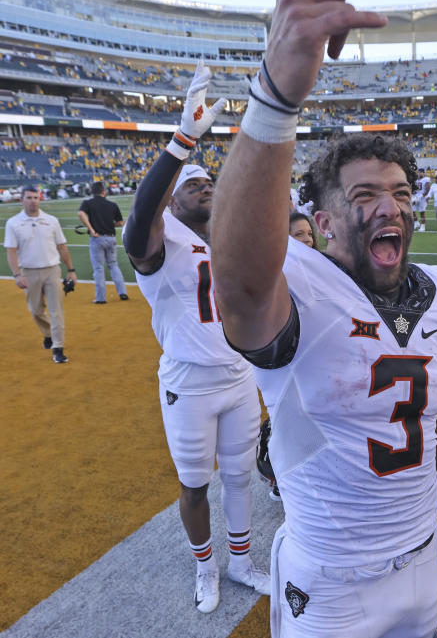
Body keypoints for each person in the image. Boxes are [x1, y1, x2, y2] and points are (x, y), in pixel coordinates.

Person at [209, 0, 437, 634]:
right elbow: (237, 287)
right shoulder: (297, 283)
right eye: (364, 195)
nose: (388, 207)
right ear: (324, 219)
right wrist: (275, 99)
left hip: (423, 564)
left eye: (399, 193)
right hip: (329, 586)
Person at [122, 63, 269, 614]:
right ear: (174, 201)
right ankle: (205, 567)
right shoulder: (161, 243)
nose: (205, 189)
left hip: (239, 376)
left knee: (239, 477)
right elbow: (139, 221)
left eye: (209, 182)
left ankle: (241, 561)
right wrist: (182, 142)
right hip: (189, 382)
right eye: (194, 185)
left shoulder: (221, 238)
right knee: (195, 485)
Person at [4, 184, 75, 363]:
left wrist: (71, 270)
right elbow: (11, 251)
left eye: (36, 197)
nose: (33, 201)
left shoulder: (51, 220)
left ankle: (58, 347)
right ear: (22, 199)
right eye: (29, 197)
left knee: (56, 310)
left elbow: (62, 246)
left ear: (40, 199)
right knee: (35, 310)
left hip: (52, 270)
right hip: (28, 271)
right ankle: (48, 333)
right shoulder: (13, 223)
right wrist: (17, 275)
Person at [78, 181, 129, 303]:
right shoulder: (112, 204)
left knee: (99, 269)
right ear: (104, 191)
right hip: (111, 238)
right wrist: (108, 223)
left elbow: (80, 213)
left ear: (92, 191)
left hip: (97, 239)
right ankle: (122, 293)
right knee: (113, 265)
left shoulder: (88, 203)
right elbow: (120, 222)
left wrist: (91, 229)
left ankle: (101, 298)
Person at [413, 167, 431, 231]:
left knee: (422, 212)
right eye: (418, 172)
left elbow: (428, 189)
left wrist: (422, 195)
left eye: (420, 173)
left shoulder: (426, 179)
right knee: (412, 210)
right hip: (415, 196)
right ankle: (416, 222)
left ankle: (423, 226)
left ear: (423, 173)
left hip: (423, 197)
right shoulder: (415, 179)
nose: (419, 174)